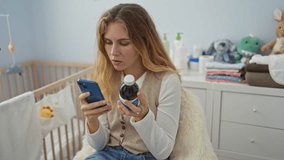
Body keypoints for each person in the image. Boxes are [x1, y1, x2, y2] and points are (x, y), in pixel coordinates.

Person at [79, 3, 181, 160]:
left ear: (144, 42)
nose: (113, 52)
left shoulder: (167, 81)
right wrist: (91, 121)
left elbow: (163, 152)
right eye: (108, 42)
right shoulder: (105, 76)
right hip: (108, 154)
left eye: (124, 43)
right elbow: (99, 145)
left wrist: (143, 116)